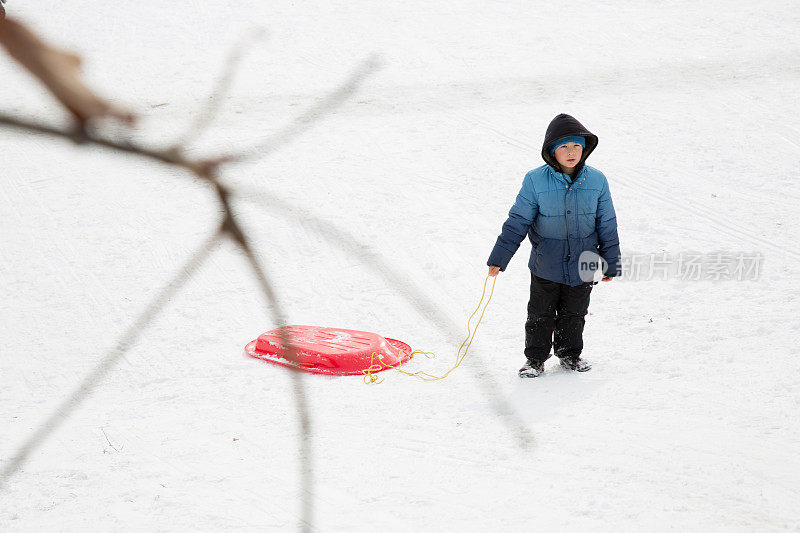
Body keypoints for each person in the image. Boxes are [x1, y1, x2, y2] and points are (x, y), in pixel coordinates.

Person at [487, 113, 620, 378]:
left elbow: (607, 222)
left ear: (585, 148)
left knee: (575, 313)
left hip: (585, 261)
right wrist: (499, 258)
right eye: (564, 147)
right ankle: (535, 359)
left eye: (576, 146)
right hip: (546, 262)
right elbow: (518, 221)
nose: (571, 152)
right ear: (551, 151)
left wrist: (611, 262)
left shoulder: (597, 180)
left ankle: (570, 355)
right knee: (540, 314)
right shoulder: (535, 180)